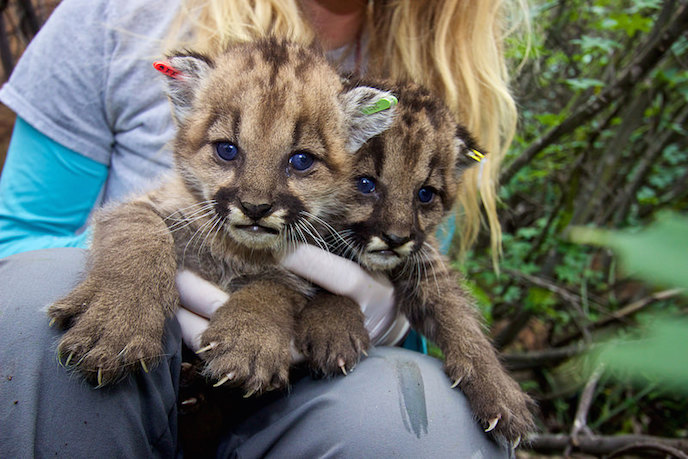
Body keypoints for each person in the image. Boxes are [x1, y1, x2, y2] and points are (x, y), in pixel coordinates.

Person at [0, 0, 529, 456]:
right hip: (126, 391)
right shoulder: (119, 15)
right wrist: (144, 274)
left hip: (296, 411)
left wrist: (386, 321)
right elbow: (20, 235)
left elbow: (412, 264)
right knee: (34, 300)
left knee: (419, 412)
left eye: (301, 162)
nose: (254, 200)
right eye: (226, 151)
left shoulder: (422, 118)